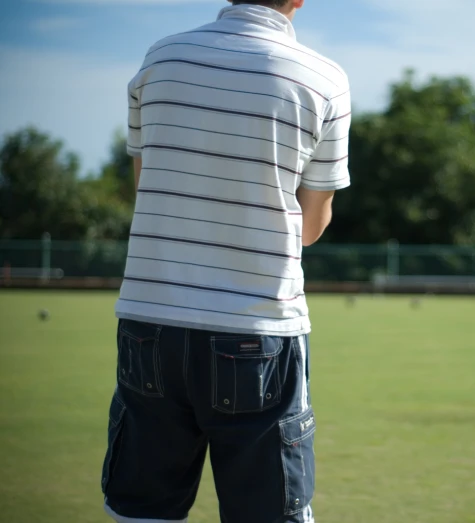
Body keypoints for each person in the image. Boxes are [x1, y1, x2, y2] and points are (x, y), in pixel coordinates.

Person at [101, 1, 351, 522]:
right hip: (256, 328)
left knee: (141, 511)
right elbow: (310, 227)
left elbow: (146, 185)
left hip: (150, 319)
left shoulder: (161, 57)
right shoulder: (325, 79)